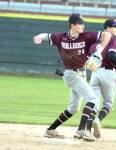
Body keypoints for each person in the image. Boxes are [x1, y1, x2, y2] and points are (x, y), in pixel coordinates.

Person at [33, 13, 111, 141]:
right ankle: (81, 130)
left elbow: (107, 35)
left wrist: (98, 51)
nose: (83, 26)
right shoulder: (60, 37)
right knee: (92, 99)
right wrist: (38, 37)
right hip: (71, 74)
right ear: (73, 25)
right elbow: (45, 35)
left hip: (82, 73)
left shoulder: (86, 36)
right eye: (80, 23)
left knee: (74, 107)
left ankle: (50, 130)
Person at [85, 18, 116, 138]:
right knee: (108, 104)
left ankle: (86, 131)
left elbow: (88, 60)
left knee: (94, 104)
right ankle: (98, 121)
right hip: (108, 74)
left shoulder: (94, 42)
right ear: (108, 28)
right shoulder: (112, 39)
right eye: (115, 26)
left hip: (95, 74)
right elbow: (111, 56)